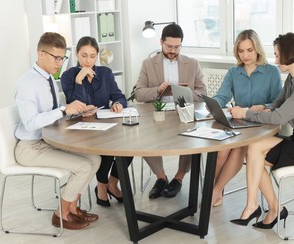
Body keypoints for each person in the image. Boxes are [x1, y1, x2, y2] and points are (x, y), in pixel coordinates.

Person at [229, 32, 294, 228]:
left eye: (278, 55)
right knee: (253, 150)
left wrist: (246, 113)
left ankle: (267, 208)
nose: (275, 60)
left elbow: (279, 117)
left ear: (289, 54)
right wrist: (265, 108)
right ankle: (264, 207)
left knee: (254, 154)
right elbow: (279, 102)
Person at [14, 32, 101, 230]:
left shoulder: (48, 78)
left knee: (95, 158)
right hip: (31, 147)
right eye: (56, 58)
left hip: (47, 142)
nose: (60, 63)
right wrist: (63, 109)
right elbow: (30, 123)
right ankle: (60, 214)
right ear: (41, 54)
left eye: (63, 58)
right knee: (83, 166)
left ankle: (72, 207)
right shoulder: (27, 83)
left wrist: (76, 108)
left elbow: (52, 109)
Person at [135, 24, 207, 199]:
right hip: (157, 115)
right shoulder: (148, 64)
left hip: (183, 114)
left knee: (193, 139)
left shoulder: (192, 64)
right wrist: (158, 90)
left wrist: (184, 93)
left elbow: (203, 93)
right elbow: (138, 94)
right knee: (144, 139)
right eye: (169, 46)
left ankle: (179, 178)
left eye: (177, 47)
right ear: (161, 42)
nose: (173, 50)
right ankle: (161, 177)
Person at [211, 29, 282, 207]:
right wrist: (211, 104)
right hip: (240, 123)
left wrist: (265, 106)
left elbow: (278, 101)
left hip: (263, 125)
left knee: (237, 150)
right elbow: (222, 97)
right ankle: (214, 189)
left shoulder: (271, 72)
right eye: (241, 51)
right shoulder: (234, 72)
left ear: (257, 48)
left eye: (249, 50)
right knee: (221, 151)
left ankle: (214, 191)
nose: (245, 55)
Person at [61, 36, 133, 207]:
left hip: (106, 124)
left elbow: (120, 96)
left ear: (97, 56)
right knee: (106, 148)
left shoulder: (105, 73)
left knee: (130, 148)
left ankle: (112, 183)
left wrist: (117, 104)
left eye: (92, 56)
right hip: (81, 129)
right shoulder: (68, 76)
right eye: (84, 55)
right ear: (77, 54)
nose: (88, 60)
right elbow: (76, 105)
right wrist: (79, 80)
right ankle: (102, 187)